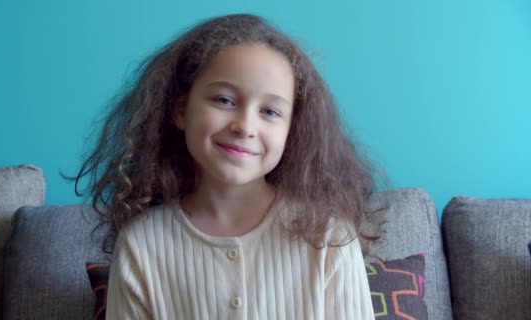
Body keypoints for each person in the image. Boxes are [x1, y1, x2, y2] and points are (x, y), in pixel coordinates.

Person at [73, 13, 383, 319]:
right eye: (224, 100)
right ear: (181, 110)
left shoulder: (328, 235)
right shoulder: (141, 244)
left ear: (293, 131)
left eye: (270, 112)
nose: (245, 126)